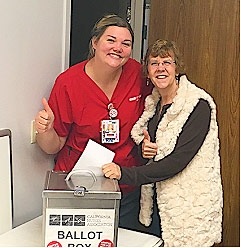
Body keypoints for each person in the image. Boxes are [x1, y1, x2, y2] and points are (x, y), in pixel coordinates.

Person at [34, 14, 152, 232]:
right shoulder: (68, 83)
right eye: (111, 40)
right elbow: (53, 146)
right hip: (80, 188)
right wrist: (45, 130)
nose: (118, 48)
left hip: (125, 186)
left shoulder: (138, 74)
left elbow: (156, 109)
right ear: (95, 43)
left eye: (126, 44)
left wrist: (151, 142)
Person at [102, 39, 223, 246]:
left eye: (166, 62)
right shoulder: (154, 104)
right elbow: (151, 149)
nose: (160, 68)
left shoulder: (197, 104)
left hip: (188, 206)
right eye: (154, 63)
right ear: (147, 71)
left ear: (177, 68)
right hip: (157, 203)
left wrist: (125, 173)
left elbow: (177, 161)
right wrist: (144, 150)